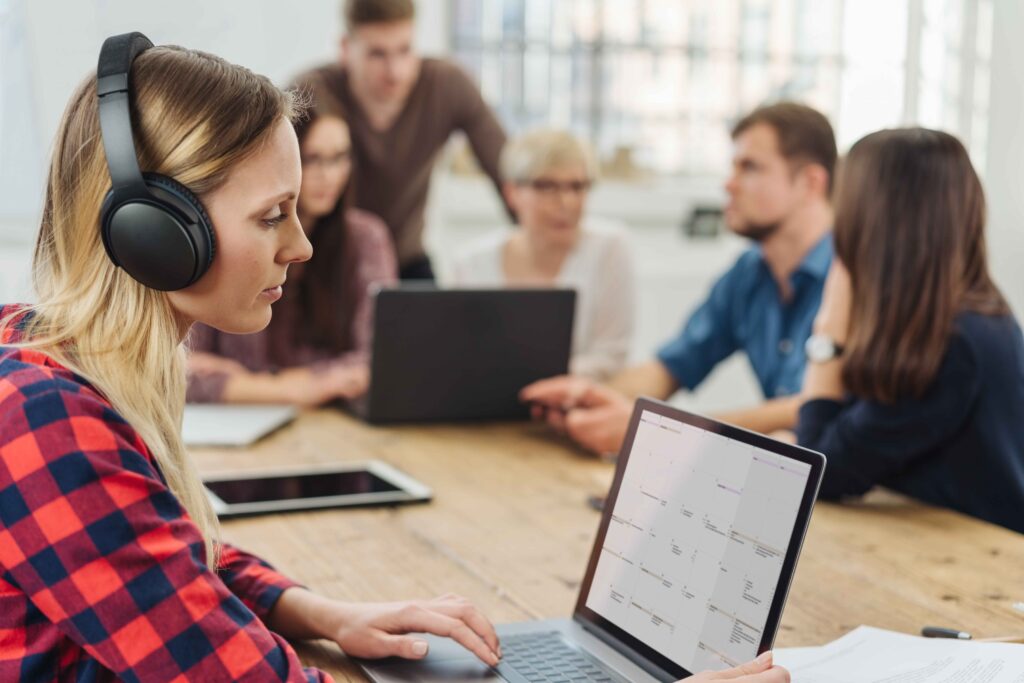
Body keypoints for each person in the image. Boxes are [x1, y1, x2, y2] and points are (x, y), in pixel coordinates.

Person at [0, 32, 789, 683]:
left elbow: (170, 551)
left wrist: (327, 613)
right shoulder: (46, 419)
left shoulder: (65, 361)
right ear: (156, 233)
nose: (300, 244)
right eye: (273, 215)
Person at [521, 102, 837, 455]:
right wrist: (590, 398)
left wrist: (664, 430)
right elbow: (671, 366)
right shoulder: (749, 274)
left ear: (811, 183)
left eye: (749, 167)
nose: (729, 184)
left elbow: (817, 406)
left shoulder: (856, 277)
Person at [794, 128, 1024, 535]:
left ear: (872, 220)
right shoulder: (964, 317)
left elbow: (821, 473)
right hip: (938, 542)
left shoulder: (951, 344)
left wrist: (827, 335)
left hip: (982, 569)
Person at [187, 105, 396, 407]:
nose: (329, 176)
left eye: (339, 158)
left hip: (331, 422)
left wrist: (250, 384)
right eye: (312, 159)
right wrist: (298, 388)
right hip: (243, 423)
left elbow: (379, 361)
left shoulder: (366, 239)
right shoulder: (230, 234)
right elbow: (180, 369)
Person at [294, 0, 508, 280]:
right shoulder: (309, 96)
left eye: (405, 50)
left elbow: (510, 174)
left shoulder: (446, 86)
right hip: (323, 261)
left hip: (407, 260)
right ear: (346, 49)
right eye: (377, 54)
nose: (395, 72)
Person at [450, 129, 635, 380]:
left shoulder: (610, 249)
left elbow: (610, 357)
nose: (566, 202)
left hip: (577, 405)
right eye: (547, 186)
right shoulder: (471, 263)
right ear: (511, 193)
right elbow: (462, 355)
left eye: (577, 186)